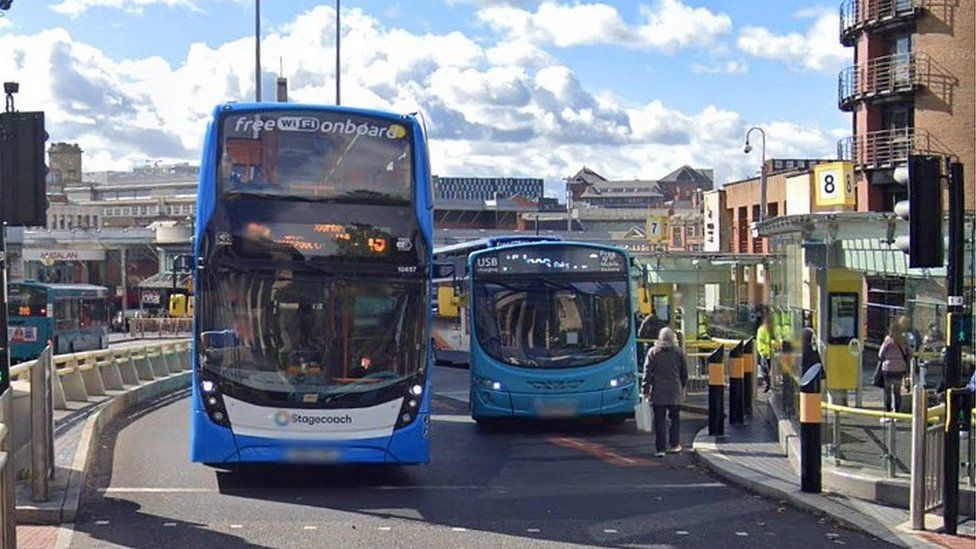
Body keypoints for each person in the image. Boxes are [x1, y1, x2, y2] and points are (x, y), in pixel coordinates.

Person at [642, 327, 688, 457]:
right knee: (675, 418)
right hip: (674, 391)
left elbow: (647, 373)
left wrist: (645, 390)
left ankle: (660, 449)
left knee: (659, 420)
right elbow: (684, 372)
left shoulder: (653, 352)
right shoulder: (678, 352)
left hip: (658, 392)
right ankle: (674, 445)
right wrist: (683, 387)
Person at [878, 319, 912, 414]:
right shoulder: (904, 341)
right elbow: (910, 353)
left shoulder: (887, 341)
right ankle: (897, 411)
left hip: (888, 368)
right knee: (897, 390)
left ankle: (888, 411)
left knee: (887, 390)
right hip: (900, 368)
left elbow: (880, 355)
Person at [756, 314, 776, 393]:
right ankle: (768, 385)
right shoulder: (764, 330)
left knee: (766, 370)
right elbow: (766, 341)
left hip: (765, 353)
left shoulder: (763, 329)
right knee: (765, 371)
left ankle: (768, 385)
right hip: (765, 353)